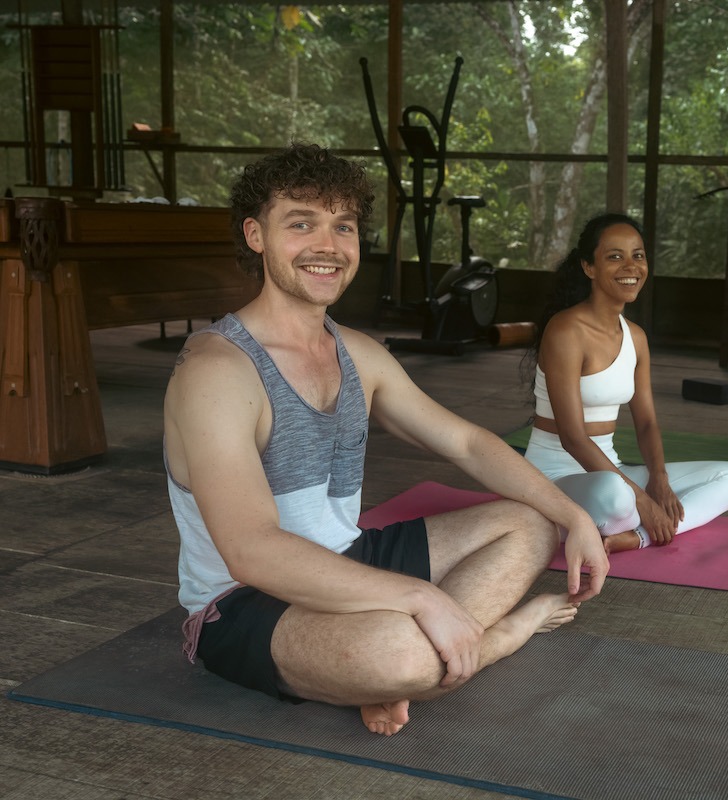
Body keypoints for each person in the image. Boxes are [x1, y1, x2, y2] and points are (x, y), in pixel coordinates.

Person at [163, 143, 608, 736]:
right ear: (255, 235)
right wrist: (421, 598)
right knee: (401, 654)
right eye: (301, 224)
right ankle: (496, 638)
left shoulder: (358, 353)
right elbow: (251, 551)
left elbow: (466, 443)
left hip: (348, 558)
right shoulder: (217, 372)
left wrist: (574, 516)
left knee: (531, 523)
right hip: (244, 601)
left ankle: (399, 666)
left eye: (343, 226)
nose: (328, 246)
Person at [523, 212, 728, 553]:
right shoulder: (566, 330)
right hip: (553, 476)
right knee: (617, 497)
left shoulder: (636, 338)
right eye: (615, 256)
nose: (631, 267)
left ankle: (635, 537)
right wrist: (642, 500)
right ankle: (614, 520)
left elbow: (646, 423)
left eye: (638, 255)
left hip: (610, 470)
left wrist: (659, 480)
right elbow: (572, 437)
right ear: (589, 267)